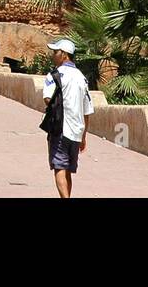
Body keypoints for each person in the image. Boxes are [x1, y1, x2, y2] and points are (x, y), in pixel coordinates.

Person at [41, 38, 93, 199]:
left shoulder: (55, 75)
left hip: (60, 128)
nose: (53, 55)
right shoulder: (82, 77)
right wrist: (84, 135)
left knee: (59, 168)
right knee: (67, 170)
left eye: (55, 52)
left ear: (64, 54)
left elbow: (47, 98)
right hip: (77, 131)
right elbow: (87, 109)